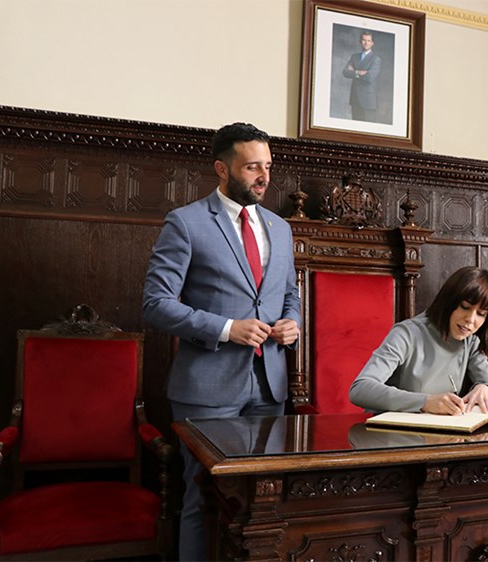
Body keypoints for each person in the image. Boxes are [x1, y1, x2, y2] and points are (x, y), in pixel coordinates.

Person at [141, 122, 301, 561]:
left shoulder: (280, 228)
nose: (264, 177)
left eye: (268, 166)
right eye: (252, 167)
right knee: (202, 497)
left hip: (269, 388)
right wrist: (228, 328)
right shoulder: (186, 223)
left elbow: (289, 294)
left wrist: (293, 323)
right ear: (222, 168)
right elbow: (155, 304)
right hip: (206, 391)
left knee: (263, 503)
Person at [350, 266, 488, 415]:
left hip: (441, 431)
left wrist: (485, 388)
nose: (471, 320)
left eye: (481, 313)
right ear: (448, 302)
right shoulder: (407, 333)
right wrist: (425, 402)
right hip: (391, 430)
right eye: (465, 307)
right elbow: (360, 389)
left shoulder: (470, 342)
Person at [342, 30, 382, 122]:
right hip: (355, 98)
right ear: (360, 42)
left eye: (368, 41)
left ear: (372, 43)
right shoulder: (354, 57)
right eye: (364, 40)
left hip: (368, 101)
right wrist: (358, 72)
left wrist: (353, 72)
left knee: (368, 128)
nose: (366, 43)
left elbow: (369, 78)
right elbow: (345, 72)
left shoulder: (376, 59)